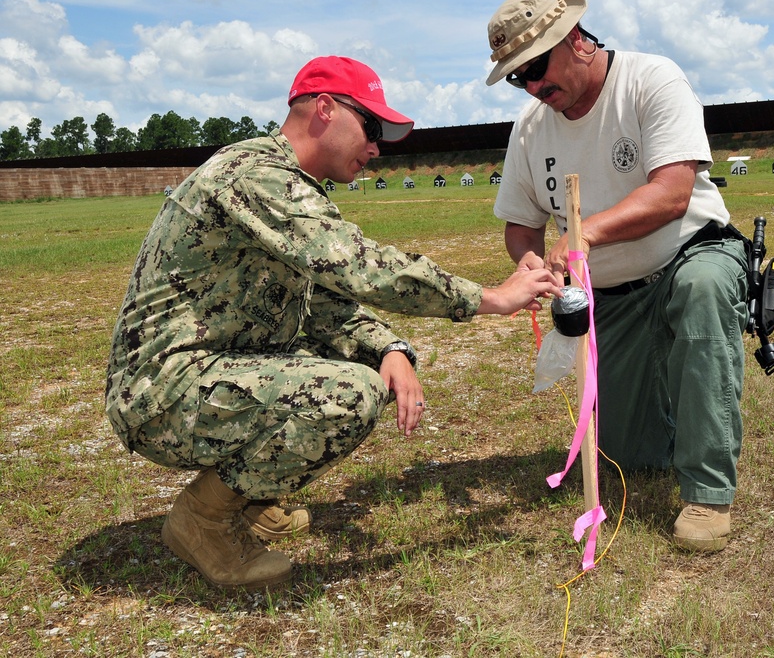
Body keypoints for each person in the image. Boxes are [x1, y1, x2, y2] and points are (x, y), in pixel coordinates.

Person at [105, 55, 561, 589]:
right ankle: (203, 521)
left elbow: (327, 302)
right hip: (161, 391)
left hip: (201, 374)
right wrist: (490, 297)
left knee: (352, 367)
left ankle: (251, 496)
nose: (376, 147)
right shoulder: (257, 176)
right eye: (371, 128)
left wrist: (389, 347)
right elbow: (359, 266)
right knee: (348, 394)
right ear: (325, 109)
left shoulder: (285, 184)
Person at [485, 0, 749, 552]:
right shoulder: (531, 128)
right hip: (610, 295)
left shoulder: (651, 80)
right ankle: (678, 416)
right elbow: (519, 225)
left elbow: (673, 193)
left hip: (689, 255)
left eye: (535, 67)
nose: (532, 86)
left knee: (703, 292)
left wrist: (583, 233)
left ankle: (706, 495)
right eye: (518, 77)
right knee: (632, 456)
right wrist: (532, 261)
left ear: (576, 41)